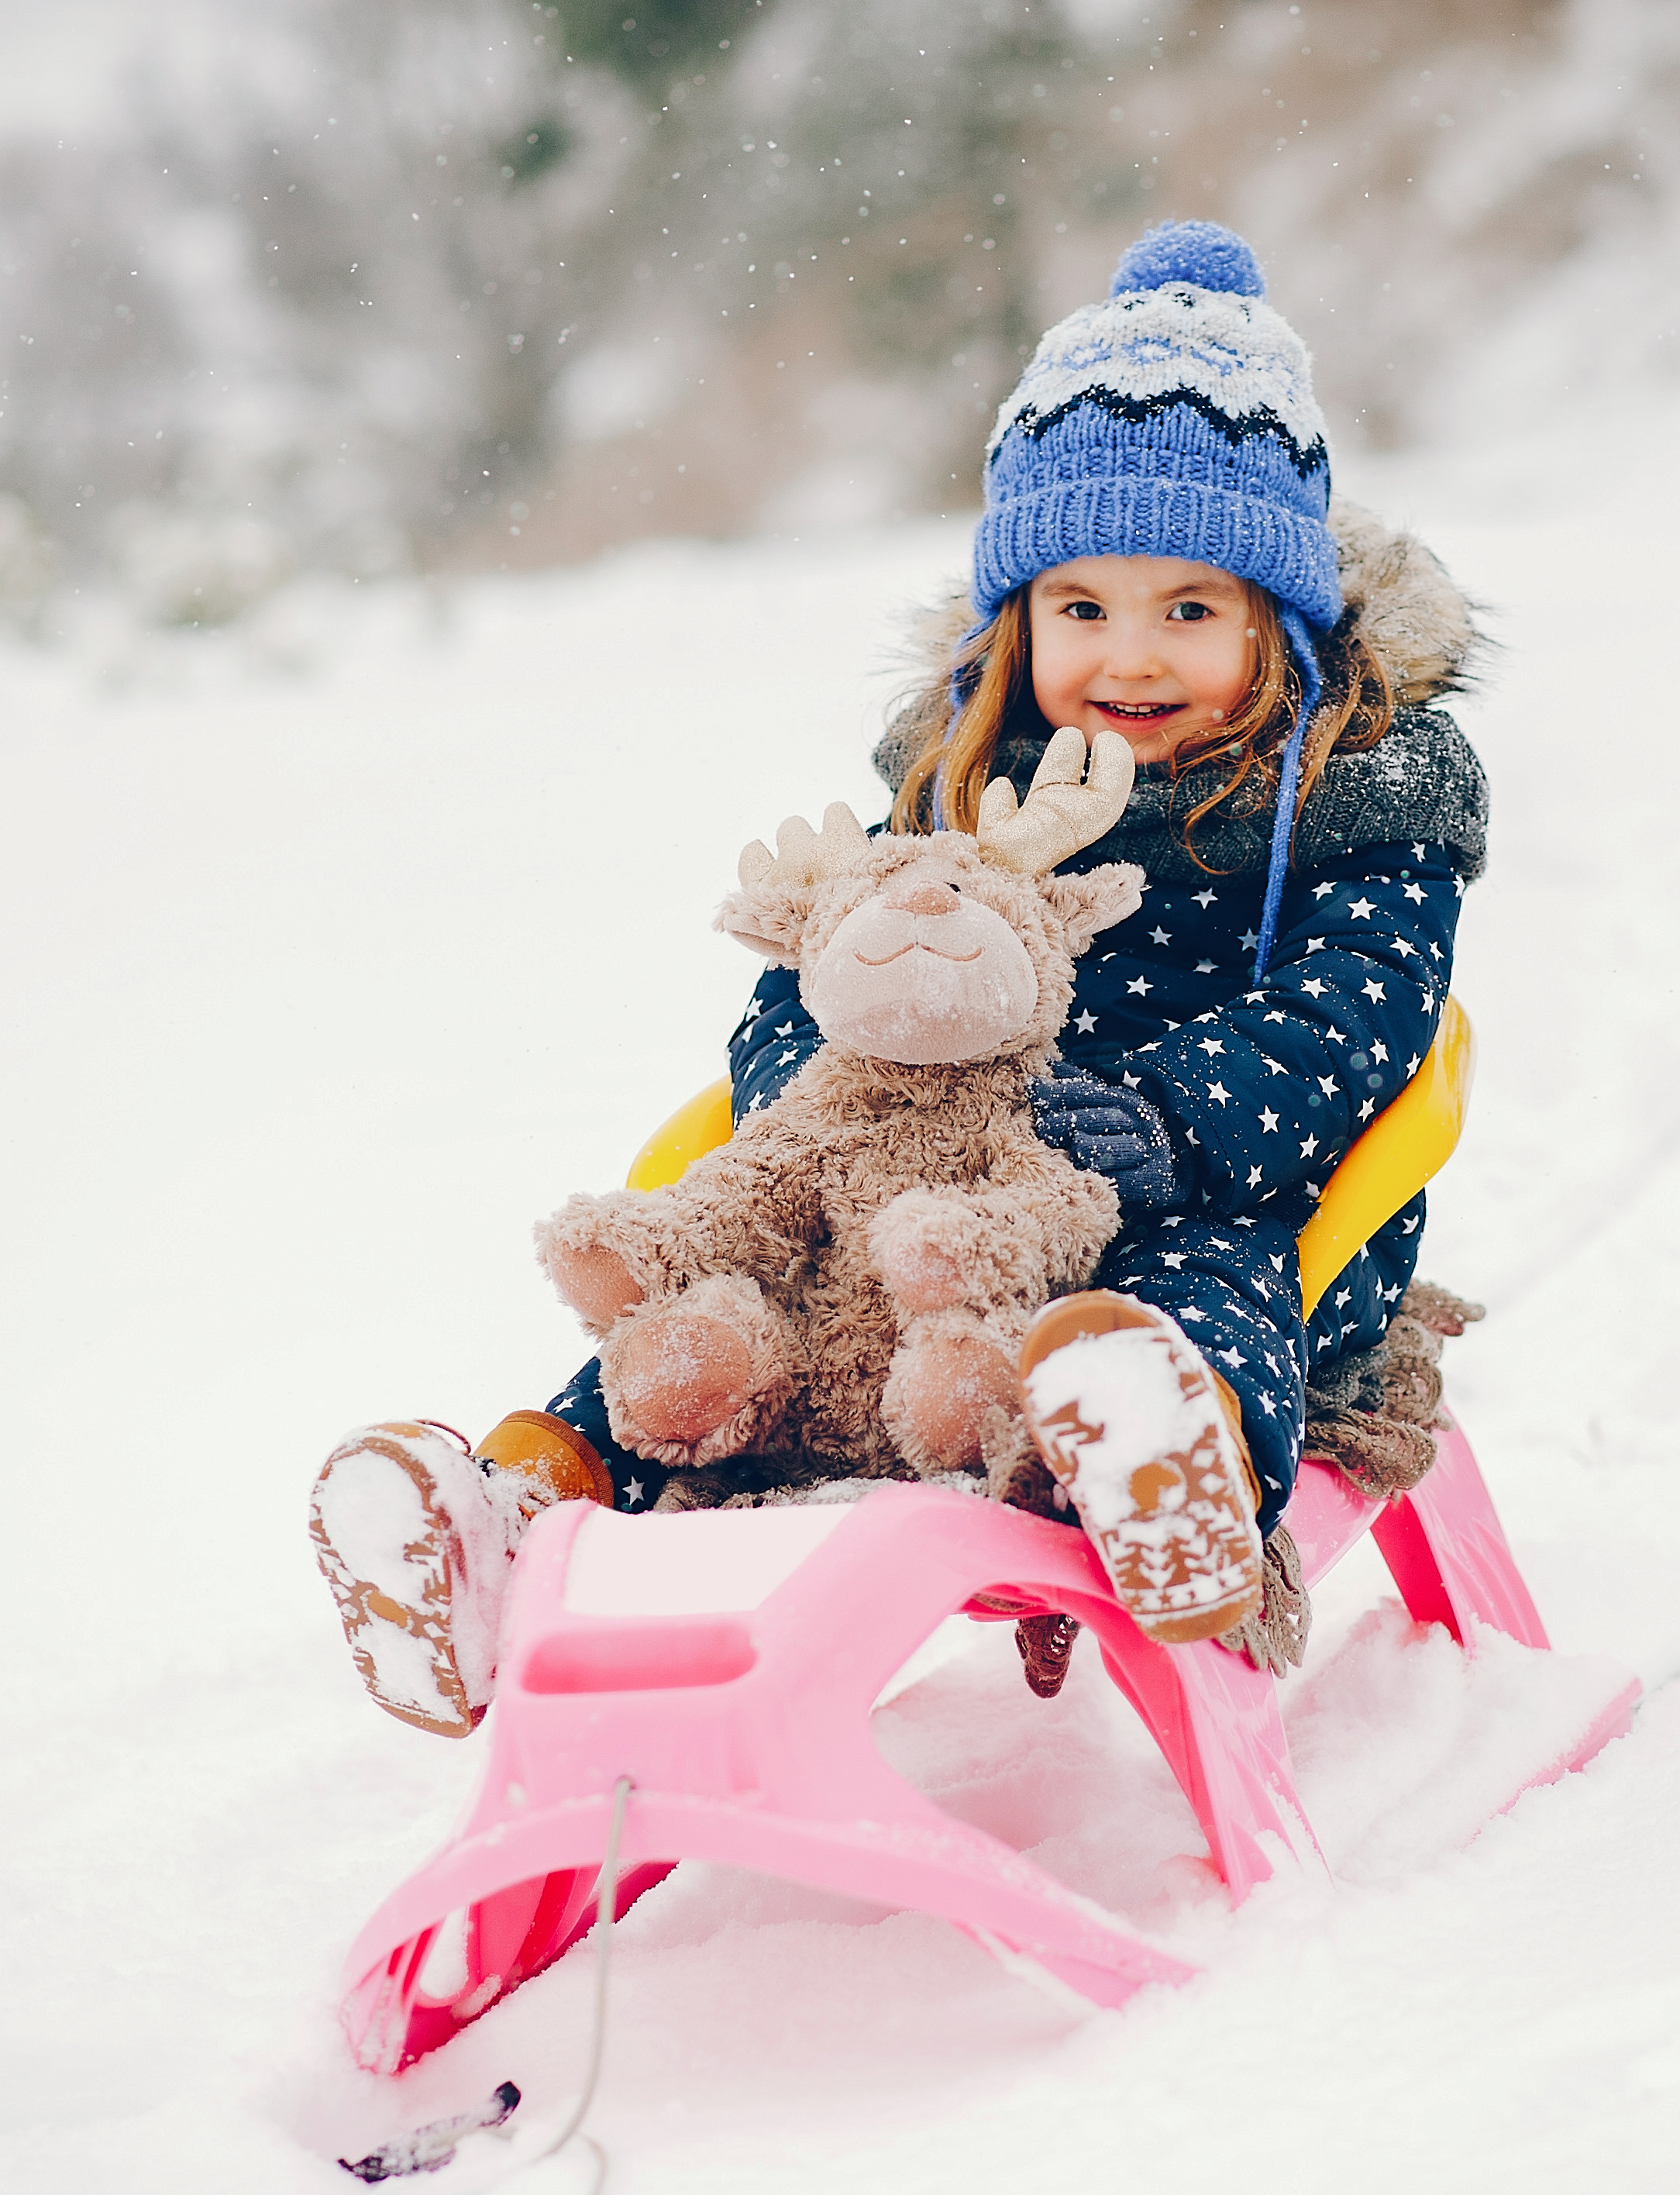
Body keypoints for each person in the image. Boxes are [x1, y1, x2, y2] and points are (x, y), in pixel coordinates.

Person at [309, 219, 1488, 1734]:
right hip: (920, 1203)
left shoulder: (1356, 811)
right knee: (726, 1314)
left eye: (1189, 608)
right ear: (1019, 622)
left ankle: (1159, 1476)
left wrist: (1176, 1124)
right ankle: (507, 1516)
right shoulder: (953, 794)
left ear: (1281, 622)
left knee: (1189, 1296)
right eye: (1082, 607)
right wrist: (822, 1116)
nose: (1130, 653)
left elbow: (1362, 1022)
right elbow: (828, 964)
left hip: (1236, 1193)